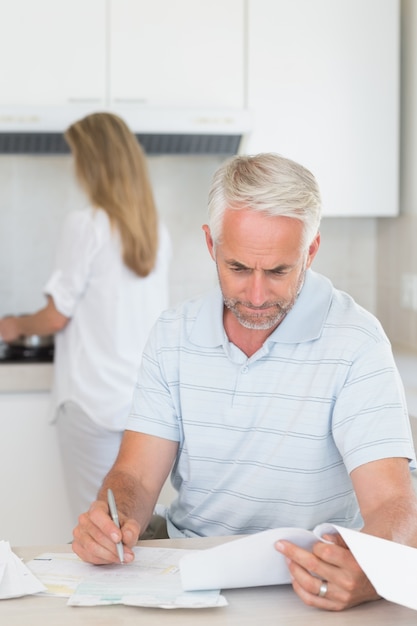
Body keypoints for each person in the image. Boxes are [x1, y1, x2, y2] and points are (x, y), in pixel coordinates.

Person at [72, 152, 417, 611]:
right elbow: (135, 474)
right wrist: (110, 518)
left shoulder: (357, 341)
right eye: (238, 268)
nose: (256, 296)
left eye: (278, 271)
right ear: (211, 244)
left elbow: (394, 502)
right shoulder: (173, 335)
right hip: (193, 568)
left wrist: (373, 569)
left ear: (310, 250)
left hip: (312, 575)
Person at [0, 112, 171, 523]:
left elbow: (56, 316)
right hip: (141, 405)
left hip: (91, 402)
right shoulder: (154, 232)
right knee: (134, 525)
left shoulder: (87, 225)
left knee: (97, 527)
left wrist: (15, 325)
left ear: (93, 164)